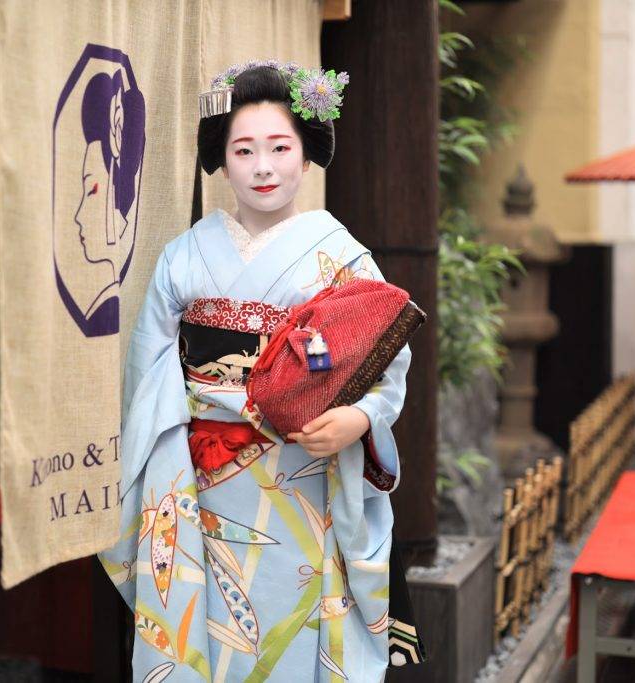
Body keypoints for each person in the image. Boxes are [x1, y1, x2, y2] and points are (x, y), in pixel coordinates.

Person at [98, 60, 426, 682]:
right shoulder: (184, 256)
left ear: (306, 157)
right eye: (243, 150)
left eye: (280, 148)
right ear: (221, 160)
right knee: (203, 631)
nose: (264, 167)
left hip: (303, 474)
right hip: (199, 485)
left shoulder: (340, 254)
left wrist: (358, 417)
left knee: (296, 633)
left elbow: (390, 353)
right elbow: (148, 371)